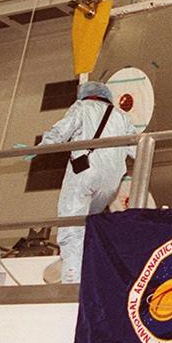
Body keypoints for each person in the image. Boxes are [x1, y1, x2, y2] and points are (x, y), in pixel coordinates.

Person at [37, 81, 136, 283]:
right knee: (87, 223)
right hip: (111, 184)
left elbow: (61, 131)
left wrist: (40, 148)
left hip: (85, 174)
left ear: (85, 95)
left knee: (71, 226)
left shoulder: (81, 107)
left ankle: (72, 281)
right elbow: (136, 149)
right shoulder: (121, 117)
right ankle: (83, 268)